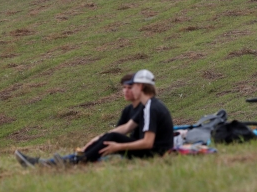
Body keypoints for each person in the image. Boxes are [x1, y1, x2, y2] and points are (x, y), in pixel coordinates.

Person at [15, 69, 174, 167]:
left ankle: (73, 162)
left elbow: (148, 142)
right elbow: (126, 128)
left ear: (140, 87)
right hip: (155, 150)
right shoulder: (150, 105)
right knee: (110, 136)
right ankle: (63, 160)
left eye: (132, 86)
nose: (130, 90)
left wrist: (117, 147)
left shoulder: (151, 108)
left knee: (112, 138)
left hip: (155, 153)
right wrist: (99, 137)